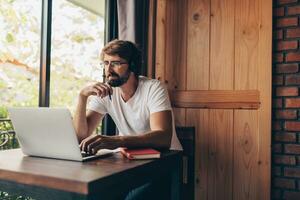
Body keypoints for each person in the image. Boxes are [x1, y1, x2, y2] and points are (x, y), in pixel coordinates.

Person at [73, 39, 182, 199]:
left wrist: (116, 141)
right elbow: (81, 135)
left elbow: (163, 137)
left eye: (115, 63)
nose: (108, 70)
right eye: (105, 63)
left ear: (132, 66)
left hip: (164, 160)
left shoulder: (153, 88)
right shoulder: (105, 92)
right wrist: (82, 97)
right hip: (129, 160)